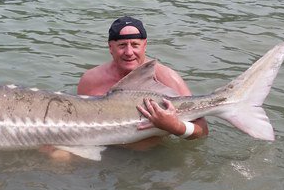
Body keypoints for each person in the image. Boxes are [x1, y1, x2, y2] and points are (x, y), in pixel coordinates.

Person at [77, 16, 208, 151]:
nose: (129, 52)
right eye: (122, 45)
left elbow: (203, 130)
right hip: (107, 152)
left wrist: (175, 126)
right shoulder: (90, 80)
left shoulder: (167, 78)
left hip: (154, 156)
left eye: (135, 45)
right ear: (111, 47)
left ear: (144, 45)